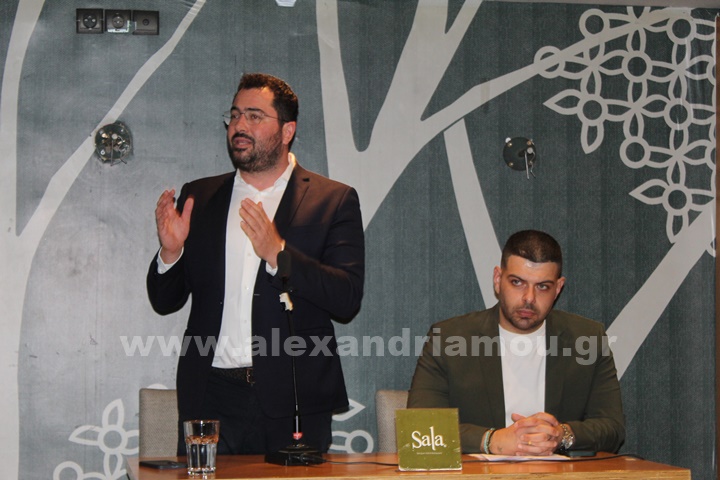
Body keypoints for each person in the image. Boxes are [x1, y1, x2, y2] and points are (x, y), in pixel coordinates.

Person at [146, 73, 365, 455]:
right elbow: (165, 300)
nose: (239, 126)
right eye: (234, 115)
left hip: (294, 398)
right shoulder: (200, 197)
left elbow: (346, 298)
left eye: (254, 116)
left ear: (287, 130)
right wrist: (171, 252)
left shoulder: (332, 200)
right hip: (210, 396)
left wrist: (280, 255)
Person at [407, 230, 624, 455]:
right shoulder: (448, 339)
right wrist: (491, 440)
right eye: (517, 282)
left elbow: (613, 428)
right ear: (498, 280)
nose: (529, 298)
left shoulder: (588, 339)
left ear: (558, 288)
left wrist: (561, 435)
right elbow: (419, 427)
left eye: (542, 286)